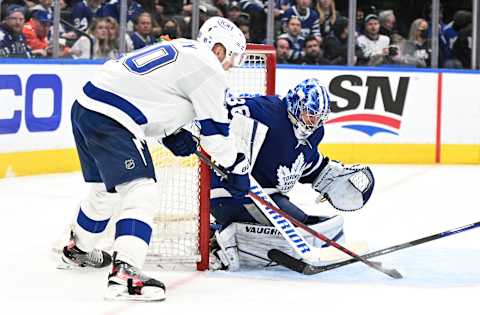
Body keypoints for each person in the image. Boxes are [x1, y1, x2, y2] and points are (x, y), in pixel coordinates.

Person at [60, 16, 248, 301]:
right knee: (142, 188)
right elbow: (217, 137)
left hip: (86, 108)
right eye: (233, 57)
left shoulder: (185, 49)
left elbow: (151, 93)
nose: (231, 65)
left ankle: (80, 248)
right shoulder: (210, 68)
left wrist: (170, 133)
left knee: (106, 190)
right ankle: (126, 274)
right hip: (113, 117)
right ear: (219, 49)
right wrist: (237, 166)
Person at [209, 79, 375, 271]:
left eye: (319, 117)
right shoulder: (267, 110)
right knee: (298, 228)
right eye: (310, 115)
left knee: (306, 225)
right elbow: (221, 109)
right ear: (296, 105)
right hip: (230, 189)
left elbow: (305, 165)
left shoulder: (315, 133)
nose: (314, 122)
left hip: (268, 196)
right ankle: (222, 242)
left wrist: (327, 174)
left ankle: (221, 233)